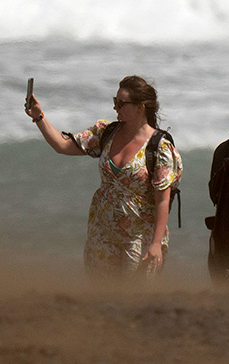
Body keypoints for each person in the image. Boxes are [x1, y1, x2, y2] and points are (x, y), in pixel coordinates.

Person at [25, 75, 182, 280]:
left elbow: (163, 200)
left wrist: (155, 245)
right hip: (102, 233)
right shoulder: (106, 132)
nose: (115, 108)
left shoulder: (159, 147)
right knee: (101, 298)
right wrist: (39, 117)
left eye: (121, 103)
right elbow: (62, 146)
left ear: (140, 108)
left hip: (139, 238)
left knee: (133, 299)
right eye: (114, 101)